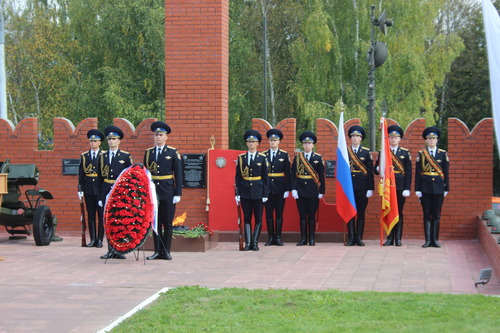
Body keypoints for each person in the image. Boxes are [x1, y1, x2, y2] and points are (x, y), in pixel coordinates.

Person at [144, 121, 183, 260]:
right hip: (154, 192)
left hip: (167, 191)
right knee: (155, 223)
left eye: (161, 135)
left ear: (166, 137)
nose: (158, 137)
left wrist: (177, 193)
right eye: (156, 135)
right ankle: (157, 251)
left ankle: (166, 251)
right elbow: (146, 174)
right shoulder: (148, 153)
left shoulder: (172, 152)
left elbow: (178, 173)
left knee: (167, 223)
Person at [99, 125, 133, 259]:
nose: (111, 141)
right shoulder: (102, 156)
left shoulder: (125, 156)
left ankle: (119, 250)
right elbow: (98, 177)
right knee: (108, 220)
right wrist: (100, 196)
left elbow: (129, 176)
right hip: (106, 188)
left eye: (114, 139)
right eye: (109, 139)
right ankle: (110, 249)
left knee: (119, 219)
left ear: (119, 141)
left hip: (120, 190)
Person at [374, 125, 411, 246]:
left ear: (400, 139)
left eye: (396, 137)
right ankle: (389, 238)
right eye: (391, 137)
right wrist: (379, 167)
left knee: (399, 211)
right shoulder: (383, 152)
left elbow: (408, 172)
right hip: (387, 187)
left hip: (400, 187)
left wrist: (407, 188)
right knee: (388, 211)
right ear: (388, 138)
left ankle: (398, 238)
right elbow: (375, 170)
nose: (394, 139)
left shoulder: (405, 153)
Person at [415, 126, 449, 248]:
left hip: (439, 188)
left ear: (437, 140)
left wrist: (447, 188)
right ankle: (428, 240)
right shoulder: (421, 154)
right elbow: (418, 173)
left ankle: (435, 240)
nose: (431, 141)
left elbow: (446, 172)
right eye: (429, 139)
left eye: (433, 139)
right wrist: (417, 189)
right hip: (425, 188)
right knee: (426, 214)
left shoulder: (443, 154)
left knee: (436, 215)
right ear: (426, 140)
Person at [235, 130, 269, 251]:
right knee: (247, 217)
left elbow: (266, 177)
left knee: (258, 218)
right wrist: (237, 193)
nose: (251, 144)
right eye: (249, 142)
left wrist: (265, 193)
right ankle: (248, 243)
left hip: (258, 191)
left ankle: (255, 243)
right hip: (245, 191)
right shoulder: (241, 158)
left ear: (258, 143)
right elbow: (238, 177)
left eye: (253, 142)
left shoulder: (262, 158)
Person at [291, 131, 325, 246]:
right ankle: (303, 239)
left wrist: (322, 191)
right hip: (300, 189)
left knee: (311, 216)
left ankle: (311, 238)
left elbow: (321, 175)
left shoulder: (318, 158)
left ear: (313, 145)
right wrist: (294, 189)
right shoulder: (298, 157)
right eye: (305, 143)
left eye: (309, 143)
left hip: (313, 190)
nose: (307, 145)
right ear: (302, 145)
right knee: (302, 216)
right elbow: (293, 174)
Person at [346, 125, 374, 246]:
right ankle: (351, 238)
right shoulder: (345, 151)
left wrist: (370, 188)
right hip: (349, 187)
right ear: (350, 138)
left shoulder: (366, 152)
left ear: (361, 138)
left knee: (361, 213)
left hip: (362, 187)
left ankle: (359, 237)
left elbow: (370, 172)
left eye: (357, 136)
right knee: (350, 212)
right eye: (353, 136)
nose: (355, 138)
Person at [262, 129, 291, 246]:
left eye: (275, 140)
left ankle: (278, 237)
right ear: (268, 141)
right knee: (269, 214)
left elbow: (288, 173)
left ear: (279, 141)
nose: (273, 142)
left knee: (279, 214)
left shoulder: (284, 155)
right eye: (271, 140)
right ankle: (270, 238)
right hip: (268, 189)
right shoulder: (264, 155)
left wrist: (287, 189)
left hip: (280, 189)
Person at [78, 129, 105, 248]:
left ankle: (100, 239)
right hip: (88, 188)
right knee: (91, 215)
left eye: (95, 141)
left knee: (100, 215)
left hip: (99, 189)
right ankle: (92, 239)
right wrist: (80, 189)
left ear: (100, 142)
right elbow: (81, 174)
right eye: (91, 141)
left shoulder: (103, 155)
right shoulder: (84, 156)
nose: (93, 143)